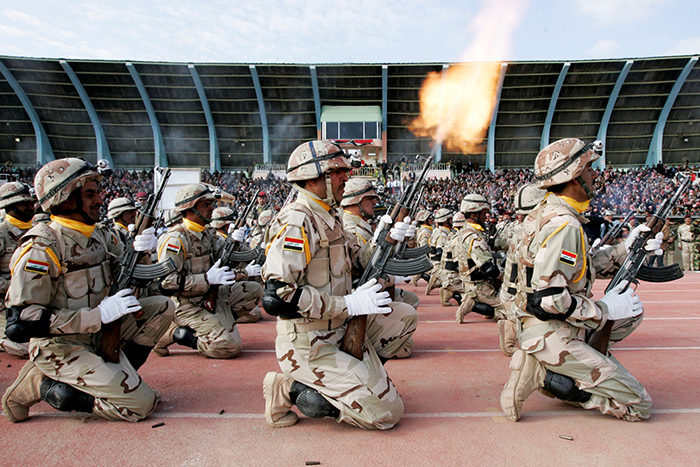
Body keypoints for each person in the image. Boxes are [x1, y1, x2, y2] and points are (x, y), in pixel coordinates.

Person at [2, 158, 174, 423]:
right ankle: (39, 384)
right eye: (90, 194)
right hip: (61, 345)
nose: (99, 200)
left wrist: (143, 252)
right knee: (139, 406)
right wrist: (97, 316)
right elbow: (21, 323)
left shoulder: (101, 236)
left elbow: (134, 281)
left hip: (97, 334)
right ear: (65, 199)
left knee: (162, 306)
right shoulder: (42, 247)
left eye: (98, 192)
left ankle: (120, 377)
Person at [500, 138, 660, 423]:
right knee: (639, 405)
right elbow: (550, 299)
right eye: (589, 169)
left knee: (631, 314)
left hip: (542, 324)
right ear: (573, 175)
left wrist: (626, 249)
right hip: (551, 331)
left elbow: (577, 269)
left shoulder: (545, 214)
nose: (594, 175)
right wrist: (606, 310)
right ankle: (547, 376)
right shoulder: (565, 225)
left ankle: (570, 368)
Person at [261, 140, 409, 430]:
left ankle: (352, 380)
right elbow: (277, 298)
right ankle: (288, 387)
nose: (346, 177)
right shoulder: (298, 221)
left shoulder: (330, 215)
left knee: (403, 317)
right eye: (337, 171)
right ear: (312, 178)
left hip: (338, 329)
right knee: (387, 414)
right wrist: (347, 304)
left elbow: (359, 261)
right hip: (309, 343)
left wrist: (389, 239)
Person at [154, 185, 263, 358]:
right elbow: (166, 282)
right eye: (205, 204)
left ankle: (217, 325)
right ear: (189, 208)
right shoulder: (175, 240)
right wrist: (206, 279)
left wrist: (235, 242)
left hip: (210, 295)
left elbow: (228, 258)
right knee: (229, 347)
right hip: (186, 304)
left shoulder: (207, 234)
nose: (211, 208)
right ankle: (175, 333)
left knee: (254, 290)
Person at [340, 177, 419, 358]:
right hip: (359, 295)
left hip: (369, 289)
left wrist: (405, 239)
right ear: (356, 201)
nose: (375, 202)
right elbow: (361, 267)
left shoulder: (361, 225)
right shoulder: (351, 227)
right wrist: (392, 277)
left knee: (410, 302)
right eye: (370, 199)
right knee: (406, 347)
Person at [497, 183, 545, 357]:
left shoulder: (520, 232)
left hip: (513, 295)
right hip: (531, 301)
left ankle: (511, 325)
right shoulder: (540, 234)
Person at [454, 194, 504, 323]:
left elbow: (495, 243)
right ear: (474, 215)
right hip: (479, 285)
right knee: (511, 312)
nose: (486, 217)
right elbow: (488, 269)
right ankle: (473, 304)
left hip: (475, 282)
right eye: (484, 213)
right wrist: (505, 276)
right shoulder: (472, 236)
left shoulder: (472, 231)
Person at [0, 182, 37, 357]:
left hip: (34, 300)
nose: (32, 207)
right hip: (5, 304)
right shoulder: (2, 234)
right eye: (25, 203)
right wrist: (16, 285)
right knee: (25, 347)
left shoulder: (38, 231)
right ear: (10, 206)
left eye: (32, 202)